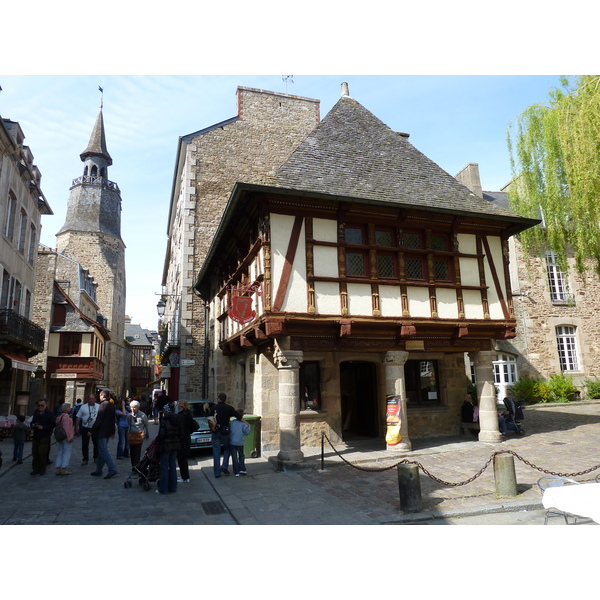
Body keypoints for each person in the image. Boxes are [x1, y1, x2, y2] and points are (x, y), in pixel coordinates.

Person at [90, 389, 118, 479]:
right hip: (107, 432)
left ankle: (112, 468)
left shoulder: (103, 405)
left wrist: (91, 430)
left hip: (101, 432)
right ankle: (98, 470)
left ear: (102, 396)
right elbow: (113, 419)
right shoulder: (111, 405)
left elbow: (99, 420)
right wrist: (112, 432)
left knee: (103, 451)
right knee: (102, 452)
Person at [211, 393, 240, 478]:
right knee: (227, 448)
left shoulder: (213, 408)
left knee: (216, 451)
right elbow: (238, 416)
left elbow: (209, 418)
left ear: (219, 399)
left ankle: (217, 472)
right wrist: (244, 422)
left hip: (215, 431)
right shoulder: (229, 408)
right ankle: (224, 466)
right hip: (225, 431)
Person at [156, 402, 181, 494]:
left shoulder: (164, 420)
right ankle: (173, 487)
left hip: (166, 445)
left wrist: (157, 440)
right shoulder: (177, 419)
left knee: (165, 467)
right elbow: (181, 433)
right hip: (175, 444)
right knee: (173, 466)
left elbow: (161, 435)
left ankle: (163, 488)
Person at [30, 398, 55, 475]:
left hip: (45, 435)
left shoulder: (50, 413)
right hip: (36, 435)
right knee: (34, 452)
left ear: (46, 405)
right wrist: (33, 425)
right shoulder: (36, 412)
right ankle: (35, 469)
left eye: (42, 405)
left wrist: (43, 427)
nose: (40, 407)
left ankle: (42, 469)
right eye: (39, 405)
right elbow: (32, 422)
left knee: (41, 452)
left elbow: (53, 424)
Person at [176, 400, 197, 483]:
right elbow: (193, 426)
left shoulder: (181, 416)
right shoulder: (189, 414)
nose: (177, 406)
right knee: (183, 458)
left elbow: (180, 428)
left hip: (182, 439)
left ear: (181, 406)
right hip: (186, 438)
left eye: (178, 405)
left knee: (181, 459)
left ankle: (184, 476)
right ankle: (185, 476)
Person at [76, 393, 99, 466]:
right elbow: (78, 417)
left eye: (92, 399)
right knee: (85, 444)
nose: (91, 400)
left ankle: (96, 457)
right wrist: (76, 426)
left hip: (95, 428)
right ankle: (85, 459)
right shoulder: (83, 407)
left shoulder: (99, 406)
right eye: (90, 399)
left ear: (95, 399)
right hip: (85, 427)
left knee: (96, 443)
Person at [127, 400, 149, 470]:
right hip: (131, 435)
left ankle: (137, 467)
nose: (133, 409)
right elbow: (128, 424)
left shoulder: (142, 415)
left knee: (137, 452)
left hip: (139, 435)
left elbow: (146, 424)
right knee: (132, 452)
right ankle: (133, 466)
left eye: (134, 407)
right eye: (131, 407)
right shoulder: (129, 415)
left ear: (138, 407)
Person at [54, 403, 75, 475]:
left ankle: (58, 468)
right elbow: (66, 428)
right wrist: (69, 437)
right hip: (65, 436)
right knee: (66, 452)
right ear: (66, 408)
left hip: (61, 436)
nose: (70, 408)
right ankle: (64, 468)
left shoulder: (60, 416)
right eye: (69, 407)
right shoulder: (66, 416)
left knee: (60, 452)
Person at [229, 409, 250, 476]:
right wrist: (248, 426)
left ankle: (236, 472)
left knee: (234, 457)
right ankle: (242, 469)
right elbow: (246, 433)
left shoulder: (232, 422)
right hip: (240, 441)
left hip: (232, 441)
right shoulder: (244, 424)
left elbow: (230, 431)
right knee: (241, 456)